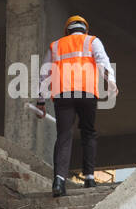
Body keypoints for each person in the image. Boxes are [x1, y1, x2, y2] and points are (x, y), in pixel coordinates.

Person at [35, 15, 117, 197]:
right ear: (84, 29)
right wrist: (110, 82)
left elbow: (44, 74)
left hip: (63, 94)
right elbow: (103, 62)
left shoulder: (56, 46)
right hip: (87, 93)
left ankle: (59, 181)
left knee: (64, 135)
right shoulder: (92, 41)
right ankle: (89, 177)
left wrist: (40, 101)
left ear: (67, 30)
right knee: (88, 132)